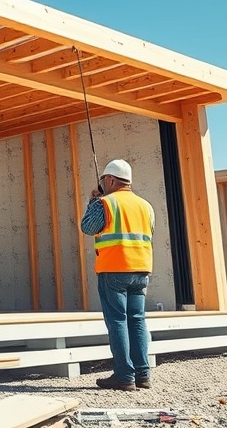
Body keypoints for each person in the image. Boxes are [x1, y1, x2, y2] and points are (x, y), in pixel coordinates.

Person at [80, 159, 155, 391]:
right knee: (137, 320)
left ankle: (124, 376)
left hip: (114, 268)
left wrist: (94, 201)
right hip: (141, 269)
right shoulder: (146, 206)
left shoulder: (105, 203)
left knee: (118, 321)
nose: (102, 184)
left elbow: (87, 227)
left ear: (111, 180)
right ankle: (142, 375)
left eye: (104, 180)